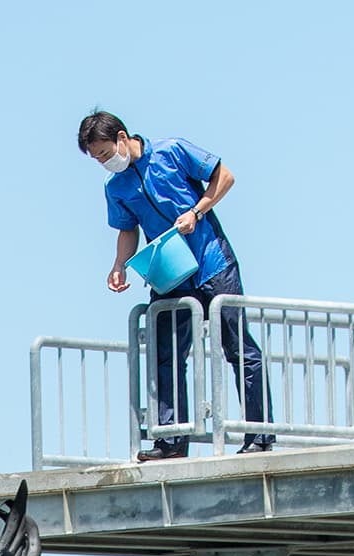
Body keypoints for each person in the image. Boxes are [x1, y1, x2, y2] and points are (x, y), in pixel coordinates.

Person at [75, 111, 274, 459]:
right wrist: (119, 265)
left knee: (238, 349)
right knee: (165, 355)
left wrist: (197, 211)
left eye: (105, 153)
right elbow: (127, 229)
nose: (105, 163)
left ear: (121, 138)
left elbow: (224, 177)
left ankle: (259, 436)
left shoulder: (172, 151)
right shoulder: (115, 187)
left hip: (212, 262)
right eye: (98, 160)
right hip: (170, 273)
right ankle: (171, 441)